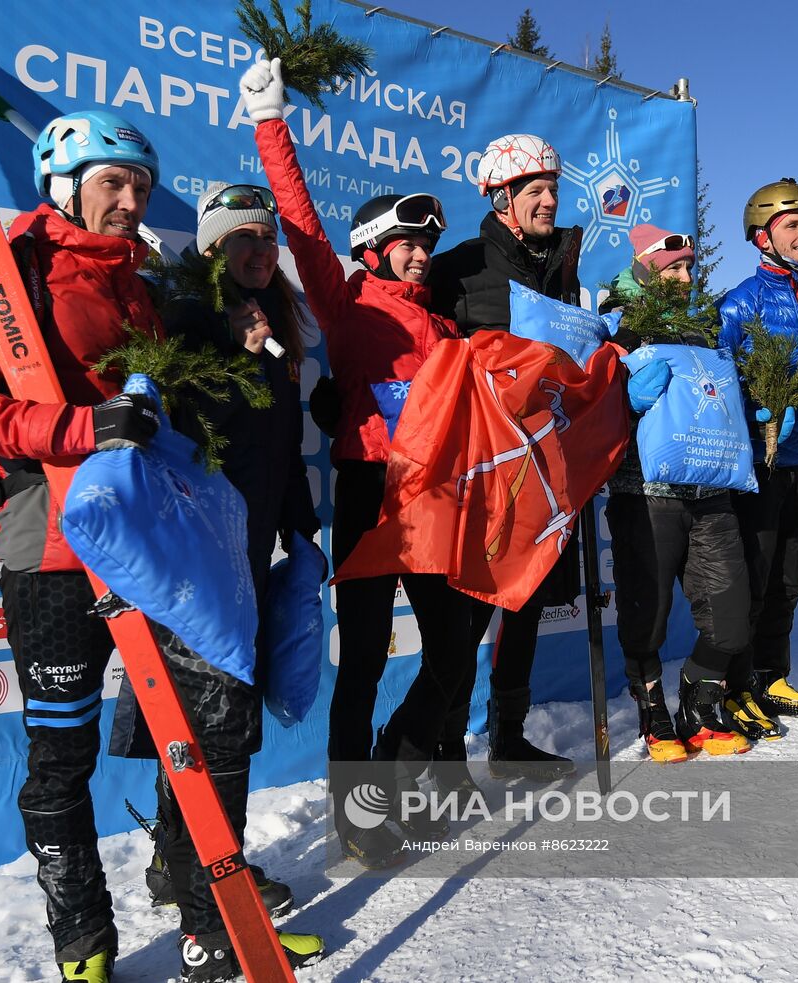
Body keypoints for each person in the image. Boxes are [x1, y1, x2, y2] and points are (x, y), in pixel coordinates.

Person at [0, 110, 322, 983]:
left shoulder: (142, 283)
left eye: (139, 184)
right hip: (50, 544)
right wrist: (78, 425)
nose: (131, 200)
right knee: (62, 755)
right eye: (112, 183)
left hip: (153, 548)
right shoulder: (7, 271)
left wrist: (230, 341)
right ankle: (85, 948)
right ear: (65, 185)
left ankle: (214, 922)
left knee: (211, 733)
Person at [239, 57, 474, 870]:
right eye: (409, 244)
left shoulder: (444, 329)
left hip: (437, 499)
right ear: (374, 250)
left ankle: (391, 765)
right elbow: (301, 224)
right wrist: (272, 121)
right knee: (366, 660)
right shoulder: (346, 303)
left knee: (452, 653)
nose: (422, 256)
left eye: (427, 246)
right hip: (371, 493)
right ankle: (357, 814)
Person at [141, 180, 319, 920]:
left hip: (250, 546)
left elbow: (280, 437)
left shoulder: (277, 321)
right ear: (213, 246)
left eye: (267, 237)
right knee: (211, 719)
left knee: (216, 716)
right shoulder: (190, 315)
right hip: (198, 553)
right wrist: (235, 348)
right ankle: (213, 872)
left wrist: (300, 526)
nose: (259, 248)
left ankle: (178, 861)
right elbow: (183, 415)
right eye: (243, 237)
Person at [426, 132, 586, 785]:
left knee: (522, 614)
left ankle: (509, 738)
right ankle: (443, 751)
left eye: (553, 189)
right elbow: (425, 364)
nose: (549, 201)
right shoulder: (458, 269)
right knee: (467, 619)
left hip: (546, 473)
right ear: (502, 200)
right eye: (535, 192)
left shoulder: (563, 270)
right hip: (483, 473)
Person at [600, 224, 751, 761]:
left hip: (711, 489)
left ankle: (700, 696)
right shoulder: (615, 324)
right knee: (648, 615)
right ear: (645, 268)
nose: (686, 278)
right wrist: (623, 396)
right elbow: (585, 410)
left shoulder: (705, 330)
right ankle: (652, 711)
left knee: (732, 617)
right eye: (673, 269)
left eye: (690, 268)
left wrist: (747, 412)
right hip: (644, 493)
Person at [718, 178, 798, 733]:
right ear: (762, 238)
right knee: (755, 572)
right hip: (759, 462)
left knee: (791, 575)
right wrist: (759, 414)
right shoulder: (740, 302)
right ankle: (735, 684)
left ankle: (772, 676)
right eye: (793, 225)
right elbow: (717, 384)